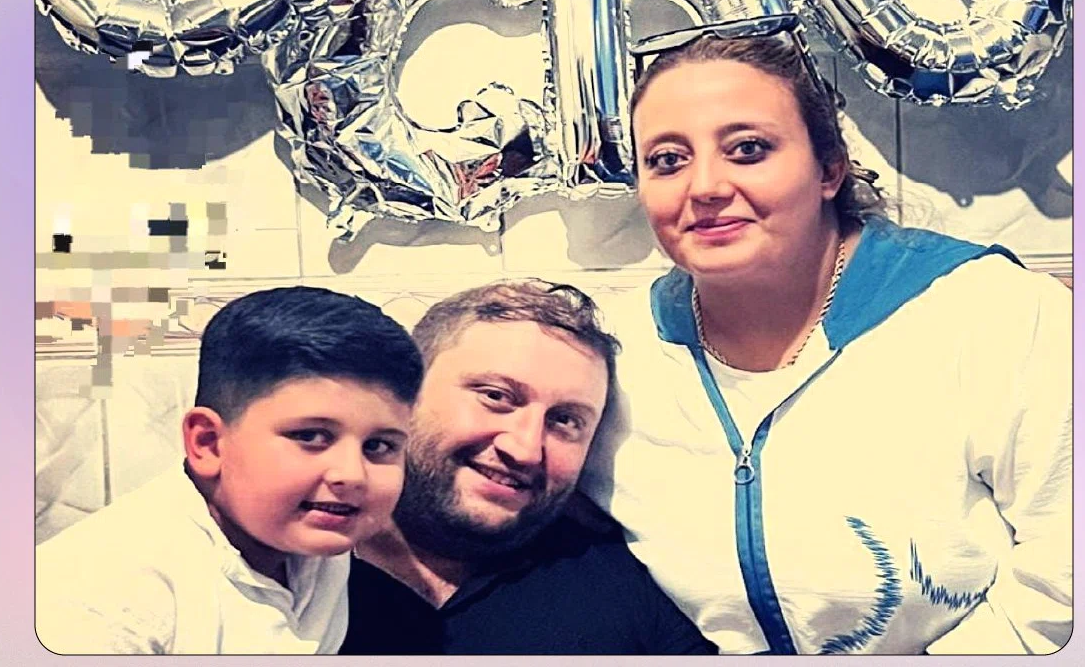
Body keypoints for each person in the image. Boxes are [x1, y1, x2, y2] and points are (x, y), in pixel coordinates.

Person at [579, 15, 1072, 655]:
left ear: (829, 170)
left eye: (748, 149)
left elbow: (1073, 571)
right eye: (667, 160)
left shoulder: (993, 314)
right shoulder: (613, 356)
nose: (705, 187)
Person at [36, 287, 424, 654]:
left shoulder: (313, 548)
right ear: (208, 443)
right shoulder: (100, 606)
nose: (352, 474)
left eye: (379, 446)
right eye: (310, 436)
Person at [340, 280, 717, 655]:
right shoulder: (311, 568)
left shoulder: (629, 596)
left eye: (565, 420)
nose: (525, 450)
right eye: (496, 396)